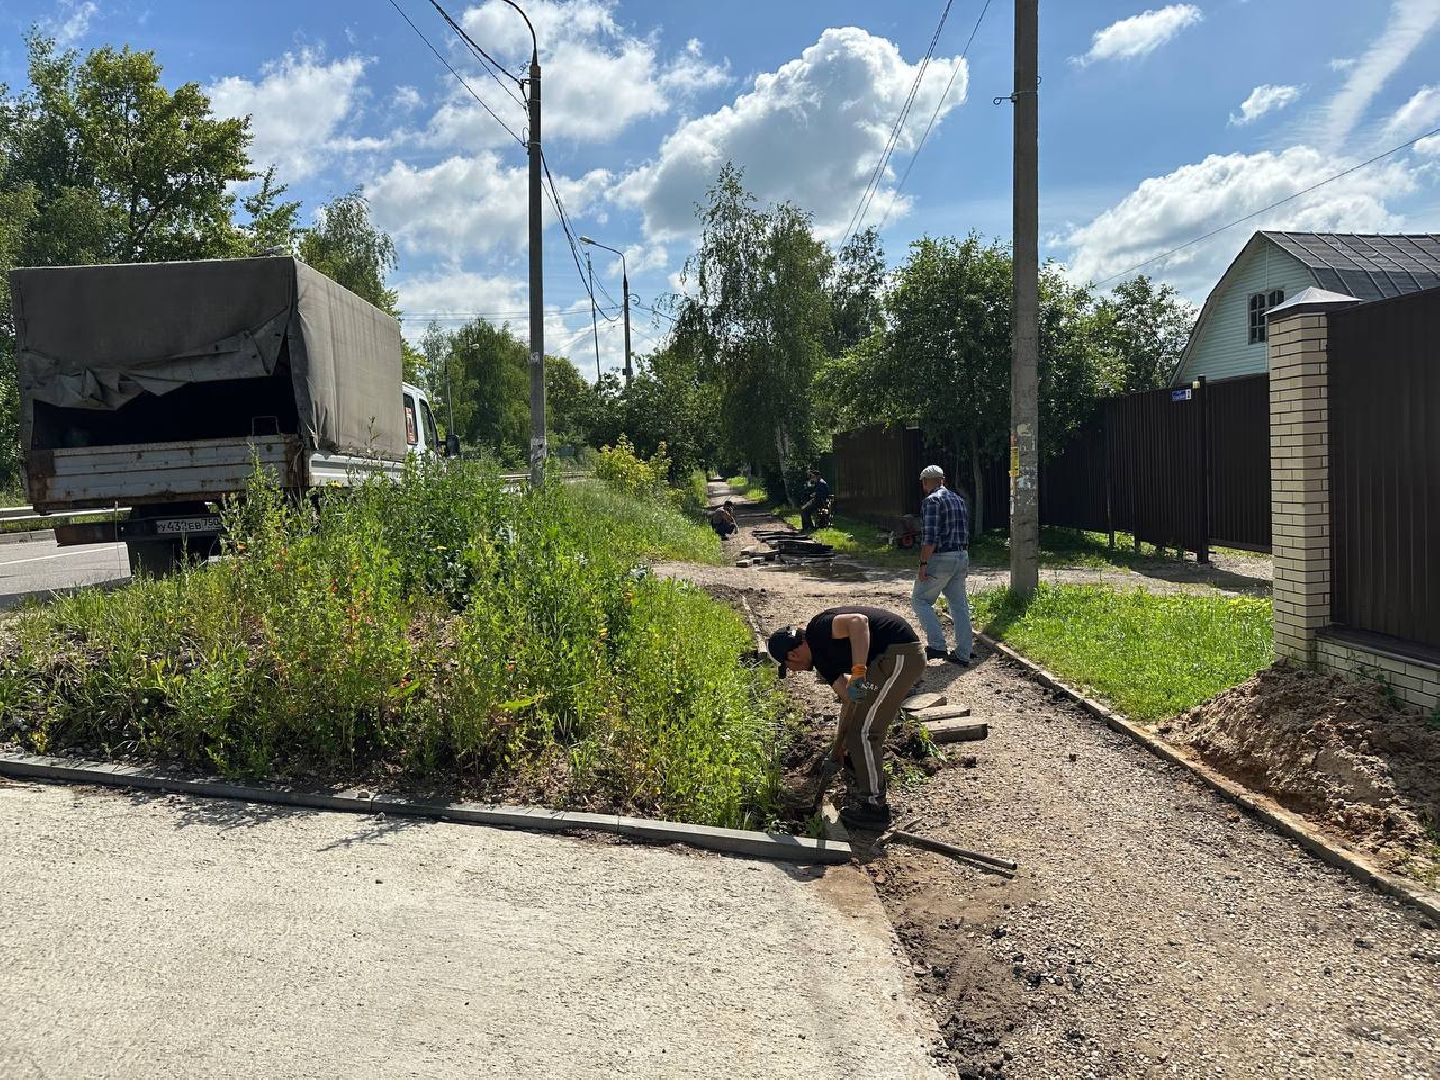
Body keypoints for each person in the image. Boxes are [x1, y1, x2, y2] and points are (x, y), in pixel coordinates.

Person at [767, 606, 925, 830]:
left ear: (792, 655)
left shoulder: (818, 630)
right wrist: (839, 744)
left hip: (900, 653)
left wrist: (858, 671)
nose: (793, 671)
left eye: (788, 667)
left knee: (864, 734)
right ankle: (860, 788)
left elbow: (858, 622)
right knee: (856, 732)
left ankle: (875, 808)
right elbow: (850, 700)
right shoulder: (824, 665)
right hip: (887, 660)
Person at [910, 464, 974, 664]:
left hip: (941, 558)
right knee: (959, 605)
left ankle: (937, 645)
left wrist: (923, 563)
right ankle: (964, 652)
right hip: (961, 555)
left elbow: (930, 538)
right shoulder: (958, 499)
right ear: (943, 480)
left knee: (920, 600)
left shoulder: (932, 501)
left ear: (925, 482)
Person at [799, 467, 831, 534]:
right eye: (812, 476)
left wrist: (815, 494)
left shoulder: (821, 483)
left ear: (818, 476)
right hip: (816, 500)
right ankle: (806, 527)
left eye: (813, 476)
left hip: (820, 501)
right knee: (803, 509)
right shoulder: (818, 482)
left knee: (804, 510)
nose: (812, 478)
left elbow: (823, 494)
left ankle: (809, 527)